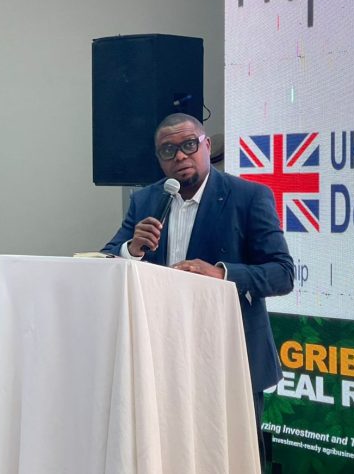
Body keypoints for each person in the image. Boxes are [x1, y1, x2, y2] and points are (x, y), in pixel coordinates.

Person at [103, 112, 294, 468]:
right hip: (161, 354)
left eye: (189, 145)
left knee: (233, 458)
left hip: (228, 355)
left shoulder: (248, 197)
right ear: (159, 158)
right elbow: (107, 257)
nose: (180, 156)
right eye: (168, 150)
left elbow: (282, 273)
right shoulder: (145, 200)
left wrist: (222, 274)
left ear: (207, 146)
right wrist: (131, 249)